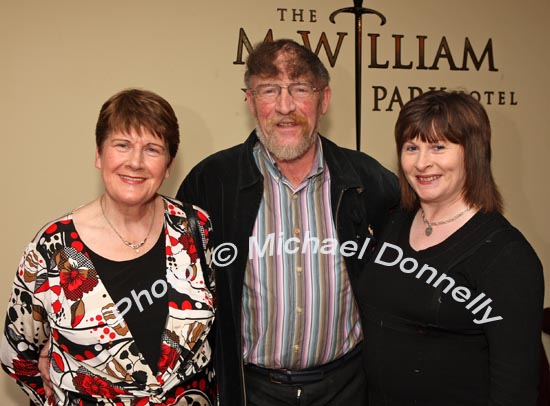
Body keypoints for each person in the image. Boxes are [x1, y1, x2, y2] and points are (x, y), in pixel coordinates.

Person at [177, 39, 400, 405]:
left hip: (348, 388)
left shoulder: (370, 182)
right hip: (250, 390)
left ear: (323, 99)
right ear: (250, 101)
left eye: (299, 89)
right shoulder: (211, 183)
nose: (284, 106)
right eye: (269, 90)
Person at [0, 89, 217, 405]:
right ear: (99, 155)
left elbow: (222, 328)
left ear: (169, 165)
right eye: (122, 145)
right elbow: (18, 355)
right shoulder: (51, 249)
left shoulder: (195, 228)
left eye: (153, 149)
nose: (136, 162)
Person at [354, 90, 544, 405]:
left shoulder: (506, 257)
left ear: (473, 152)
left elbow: (516, 387)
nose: (422, 163)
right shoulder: (392, 222)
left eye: (438, 147)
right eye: (411, 147)